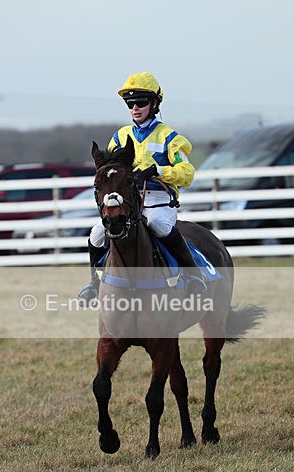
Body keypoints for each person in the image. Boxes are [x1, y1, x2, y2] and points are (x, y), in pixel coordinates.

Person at [77, 72, 207, 303]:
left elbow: (187, 174)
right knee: (97, 233)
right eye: (130, 103)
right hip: (127, 200)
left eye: (141, 102)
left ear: (154, 103)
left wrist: (158, 171)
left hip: (159, 201)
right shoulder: (120, 136)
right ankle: (95, 283)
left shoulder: (169, 137)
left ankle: (194, 275)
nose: (135, 107)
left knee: (157, 223)